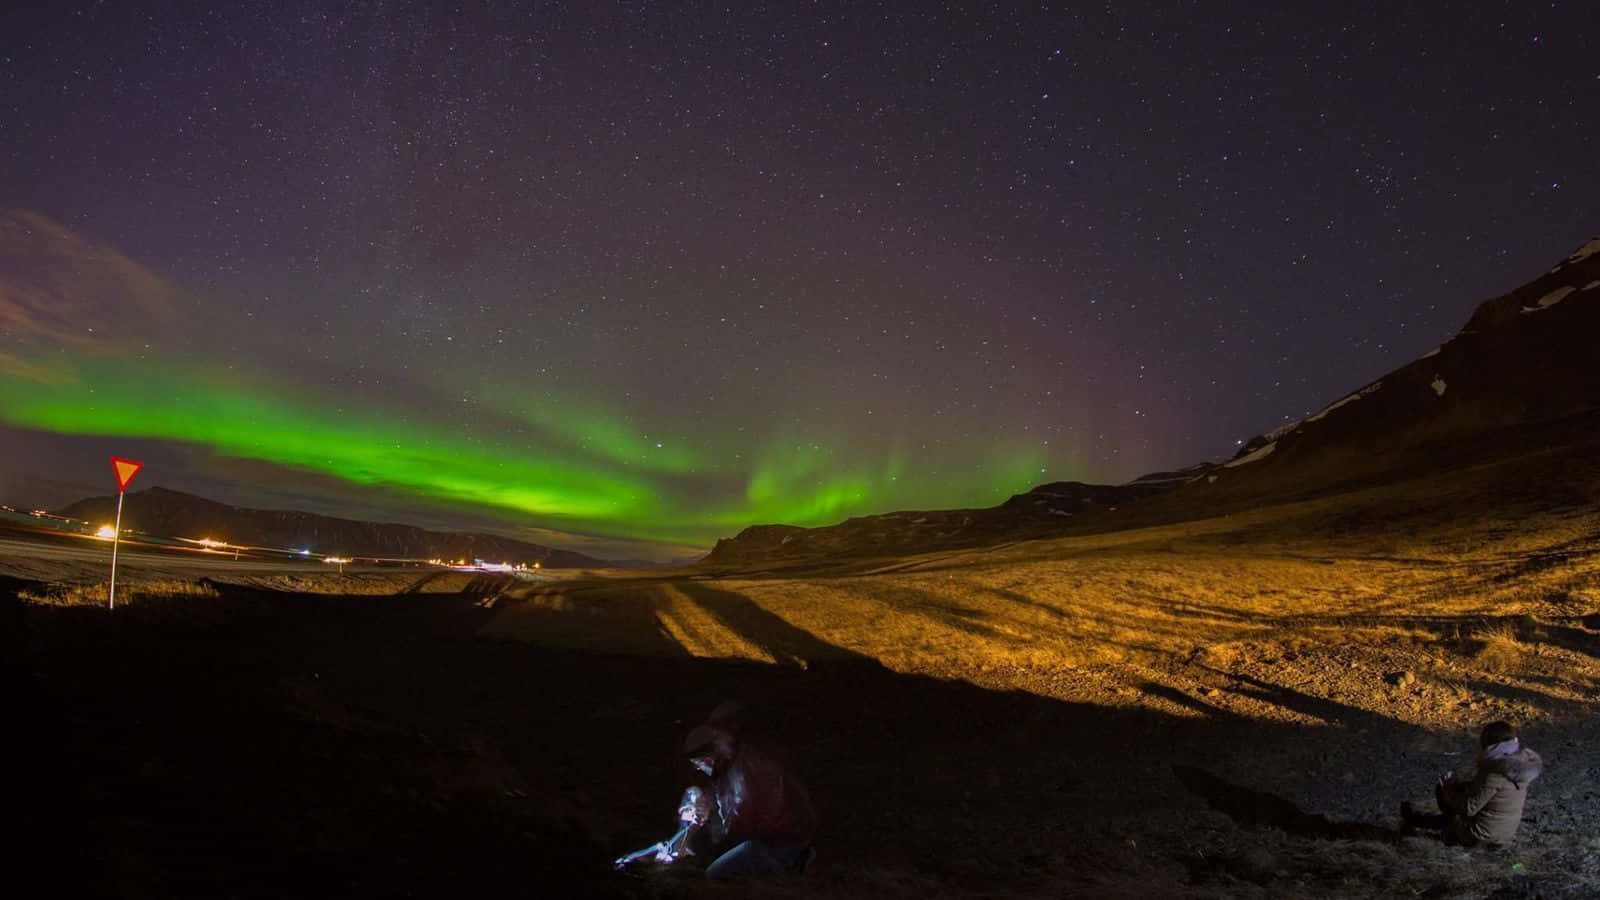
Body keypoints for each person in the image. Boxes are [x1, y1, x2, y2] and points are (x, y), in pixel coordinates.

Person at [682, 701, 818, 881]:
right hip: (765, 835)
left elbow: (743, 821)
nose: (699, 769)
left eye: (699, 764)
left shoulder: (750, 767)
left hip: (779, 841)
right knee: (708, 859)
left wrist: (710, 828)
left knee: (716, 873)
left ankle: (795, 860)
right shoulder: (730, 764)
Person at [1402, 721, 1544, 846]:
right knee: (1458, 802)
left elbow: (1469, 808)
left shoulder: (1495, 772)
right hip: (1505, 832)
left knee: (1449, 802)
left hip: (1481, 837)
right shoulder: (1518, 766)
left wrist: (1448, 787)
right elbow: (1492, 793)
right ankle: (1416, 820)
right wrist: (1463, 786)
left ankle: (1432, 828)